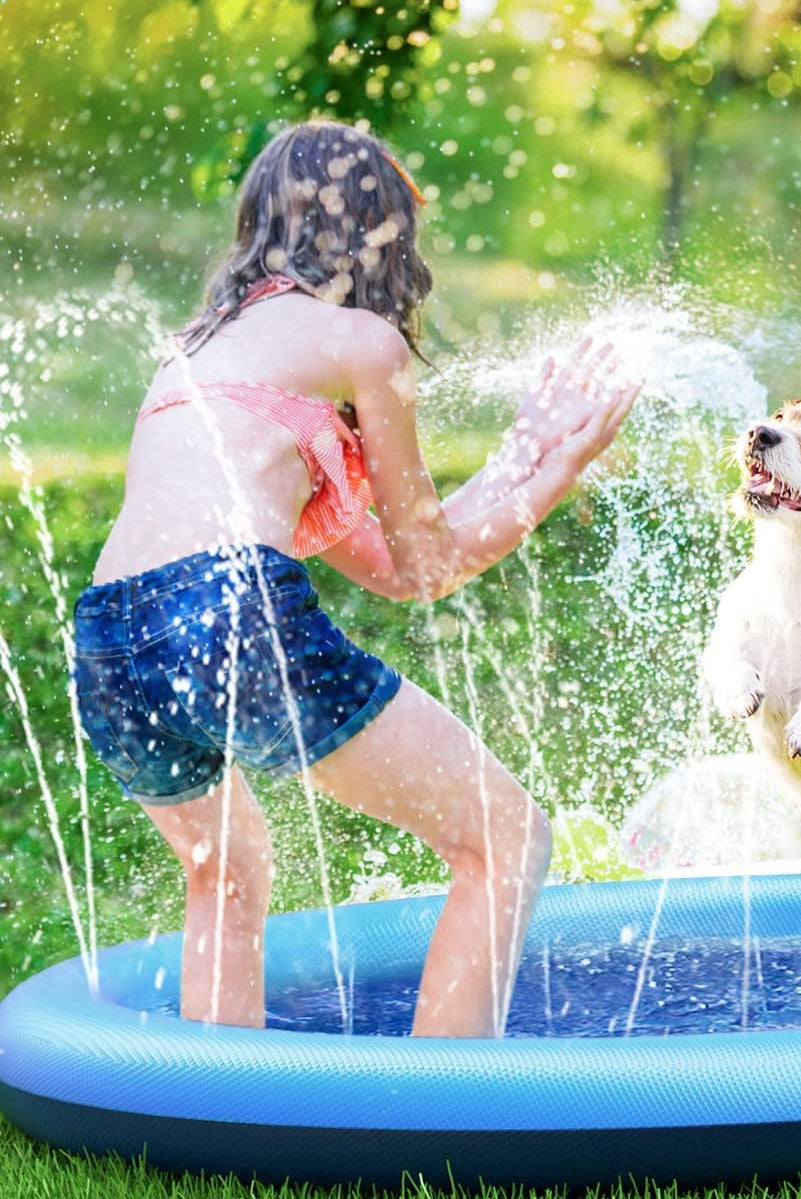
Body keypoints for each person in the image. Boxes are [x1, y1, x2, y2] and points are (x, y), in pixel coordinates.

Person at [70, 119, 640, 1037]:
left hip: (107, 638)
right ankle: (443, 1120)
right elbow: (431, 567)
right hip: (229, 606)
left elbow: (389, 558)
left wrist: (522, 456)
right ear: (380, 237)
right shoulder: (360, 342)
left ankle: (220, 1113)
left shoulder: (198, 352)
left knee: (228, 866)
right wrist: (559, 471)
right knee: (502, 837)